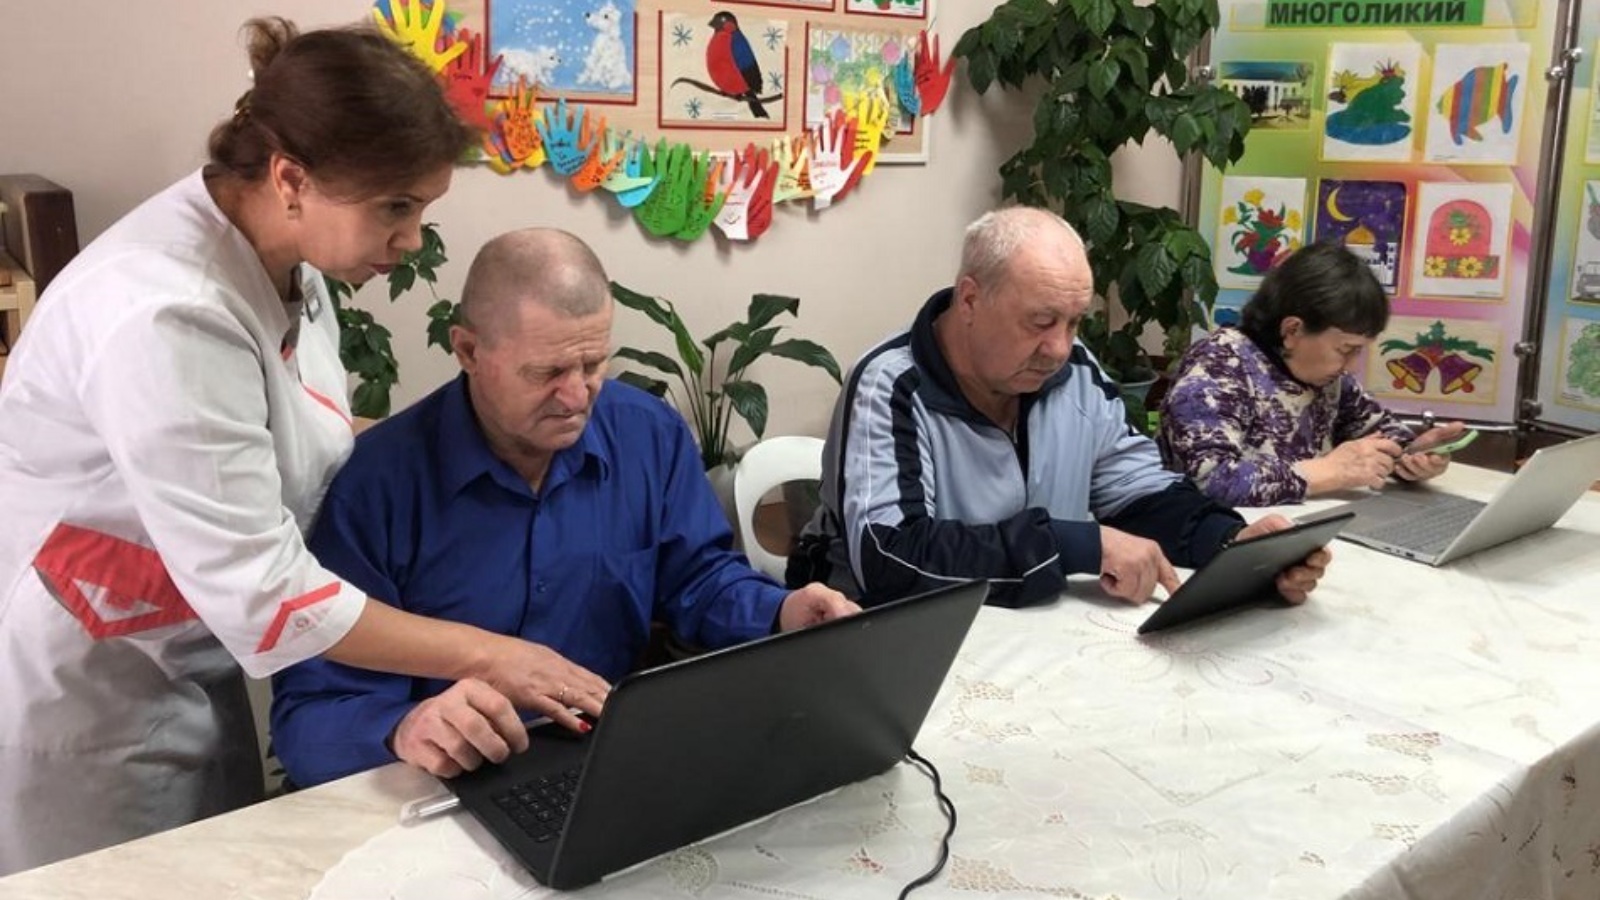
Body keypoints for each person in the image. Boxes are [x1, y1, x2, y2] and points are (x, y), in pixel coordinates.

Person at [0, 19, 600, 876]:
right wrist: (491, 652)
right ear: (291, 178)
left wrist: (440, 444)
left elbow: (286, 431)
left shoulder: (287, 260)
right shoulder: (165, 312)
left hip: (188, 654)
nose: (411, 239)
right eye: (396, 207)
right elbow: (268, 592)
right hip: (94, 693)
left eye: (422, 208)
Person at [270, 228, 859, 788]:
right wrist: (402, 728)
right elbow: (309, 717)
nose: (576, 397)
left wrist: (781, 612)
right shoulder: (379, 484)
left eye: (593, 364)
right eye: (546, 373)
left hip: (604, 762)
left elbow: (698, 581)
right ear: (468, 349)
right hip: (443, 785)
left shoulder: (646, 435)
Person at [789, 207, 1329, 610]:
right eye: (1041, 321)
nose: (1060, 348)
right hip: (892, 637)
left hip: (1033, 629)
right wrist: (1076, 545)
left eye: (1074, 322)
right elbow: (893, 559)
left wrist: (1231, 544)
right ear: (970, 299)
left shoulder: (1073, 371)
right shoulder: (890, 385)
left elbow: (1137, 490)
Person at [1158, 241, 1467, 506]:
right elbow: (1208, 480)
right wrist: (1327, 472)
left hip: (1302, 531)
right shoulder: (1218, 367)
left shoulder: (1328, 378)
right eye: (1346, 349)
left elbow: (1378, 430)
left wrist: (1410, 454)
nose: (1352, 366)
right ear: (1292, 330)